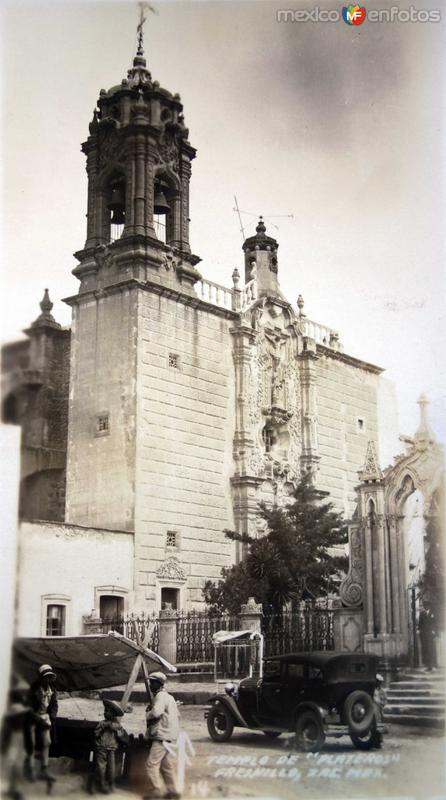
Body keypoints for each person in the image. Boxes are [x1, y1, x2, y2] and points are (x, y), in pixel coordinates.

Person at [145, 672, 180, 800]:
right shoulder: (169, 697)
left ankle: (156, 791)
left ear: (159, 684)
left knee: (151, 764)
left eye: (152, 682)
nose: (150, 685)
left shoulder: (160, 696)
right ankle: (173, 791)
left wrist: (148, 712)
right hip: (170, 736)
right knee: (166, 766)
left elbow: (156, 713)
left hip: (161, 736)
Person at [24, 663, 58, 783]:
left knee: (46, 743)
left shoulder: (52, 689)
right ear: (40, 678)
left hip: (45, 717)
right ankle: (30, 770)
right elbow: (27, 708)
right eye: (45, 677)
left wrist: (52, 717)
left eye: (49, 677)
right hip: (33, 718)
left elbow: (54, 705)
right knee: (31, 743)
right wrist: (37, 719)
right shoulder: (33, 689)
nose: (47, 679)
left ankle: (44, 769)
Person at [88, 699, 128, 794]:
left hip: (111, 747)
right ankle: (101, 784)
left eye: (108, 711)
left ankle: (111, 783)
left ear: (113, 714)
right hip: (101, 747)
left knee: (111, 767)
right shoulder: (102, 723)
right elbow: (96, 734)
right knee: (101, 766)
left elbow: (121, 735)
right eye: (105, 711)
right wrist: (103, 727)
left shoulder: (116, 725)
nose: (105, 713)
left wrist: (115, 730)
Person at [418, 604, 437, 671]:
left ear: (429, 607)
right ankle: (427, 665)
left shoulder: (432, 613)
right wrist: (419, 630)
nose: (426, 607)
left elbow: (434, 623)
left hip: (430, 634)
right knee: (425, 649)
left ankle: (432, 665)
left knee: (431, 649)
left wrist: (434, 631)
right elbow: (420, 623)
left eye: (427, 606)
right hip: (424, 634)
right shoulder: (422, 614)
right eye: (425, 606)